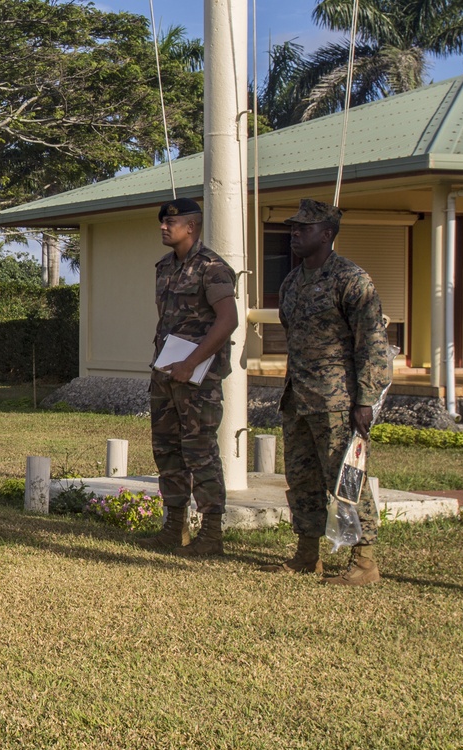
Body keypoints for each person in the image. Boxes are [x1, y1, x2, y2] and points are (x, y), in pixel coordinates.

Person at [262, 198, 390, 585]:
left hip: (337, 402)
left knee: (347, 479)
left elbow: (372, 344)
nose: (295, 234)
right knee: (301, 478)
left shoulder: (351, 280)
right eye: (293, 228)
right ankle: (307, 553)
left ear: (328, 234)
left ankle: (364, 560)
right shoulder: (291, 281)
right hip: (298, 397)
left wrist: (366, 400)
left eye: (304, 228)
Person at [139, 197, 239, 557]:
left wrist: (191, 362)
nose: (164, 226)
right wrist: (169, 366)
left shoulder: (212, 268)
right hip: (166, 373)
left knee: (201, 453)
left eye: (172, 222)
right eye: (163, 221)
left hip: (197, 379)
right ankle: (174, 527)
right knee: (167, 450)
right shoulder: (164, 267)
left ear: (191, 227)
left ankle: (212, 534)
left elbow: (228, 320)